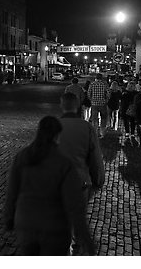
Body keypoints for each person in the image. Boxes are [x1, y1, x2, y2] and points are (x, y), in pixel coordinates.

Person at [4, 116, 96, 256]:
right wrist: (86, 238)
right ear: (57, 136)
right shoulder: (64, 164)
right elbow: (74, 204)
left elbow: (12, 191)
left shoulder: (22, 157)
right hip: (54, 228)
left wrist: (9, 217)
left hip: (26, 224)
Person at [59, 93, 105, 254]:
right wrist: (99, 180)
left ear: (61, 105)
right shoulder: (87, 128)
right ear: (77, 105)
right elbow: (95, 158)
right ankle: (75, 247)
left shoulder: (53, 126)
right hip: (80, 182)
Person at [87, 73, 109, 138]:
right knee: (103, 119)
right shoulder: (104, 84)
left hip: (94, 104)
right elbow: (108, 92)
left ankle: (95, 133)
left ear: (96, 78)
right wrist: (106, 100)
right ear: (101, 78)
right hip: (103, 104)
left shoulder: (92, 84)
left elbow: (89, 93)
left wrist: (91, 99)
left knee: (94, 120)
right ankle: (102, 133)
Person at [120, 81, 138, 146]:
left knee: (132, 121)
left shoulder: (135, 93)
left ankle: (132, 134)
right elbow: (122, 102)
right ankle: (127, 133)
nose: (130, 87)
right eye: (129, 86)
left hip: (132, 109)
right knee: (126, 122)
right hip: (125, 109)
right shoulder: (124, 93)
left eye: (132, 86)